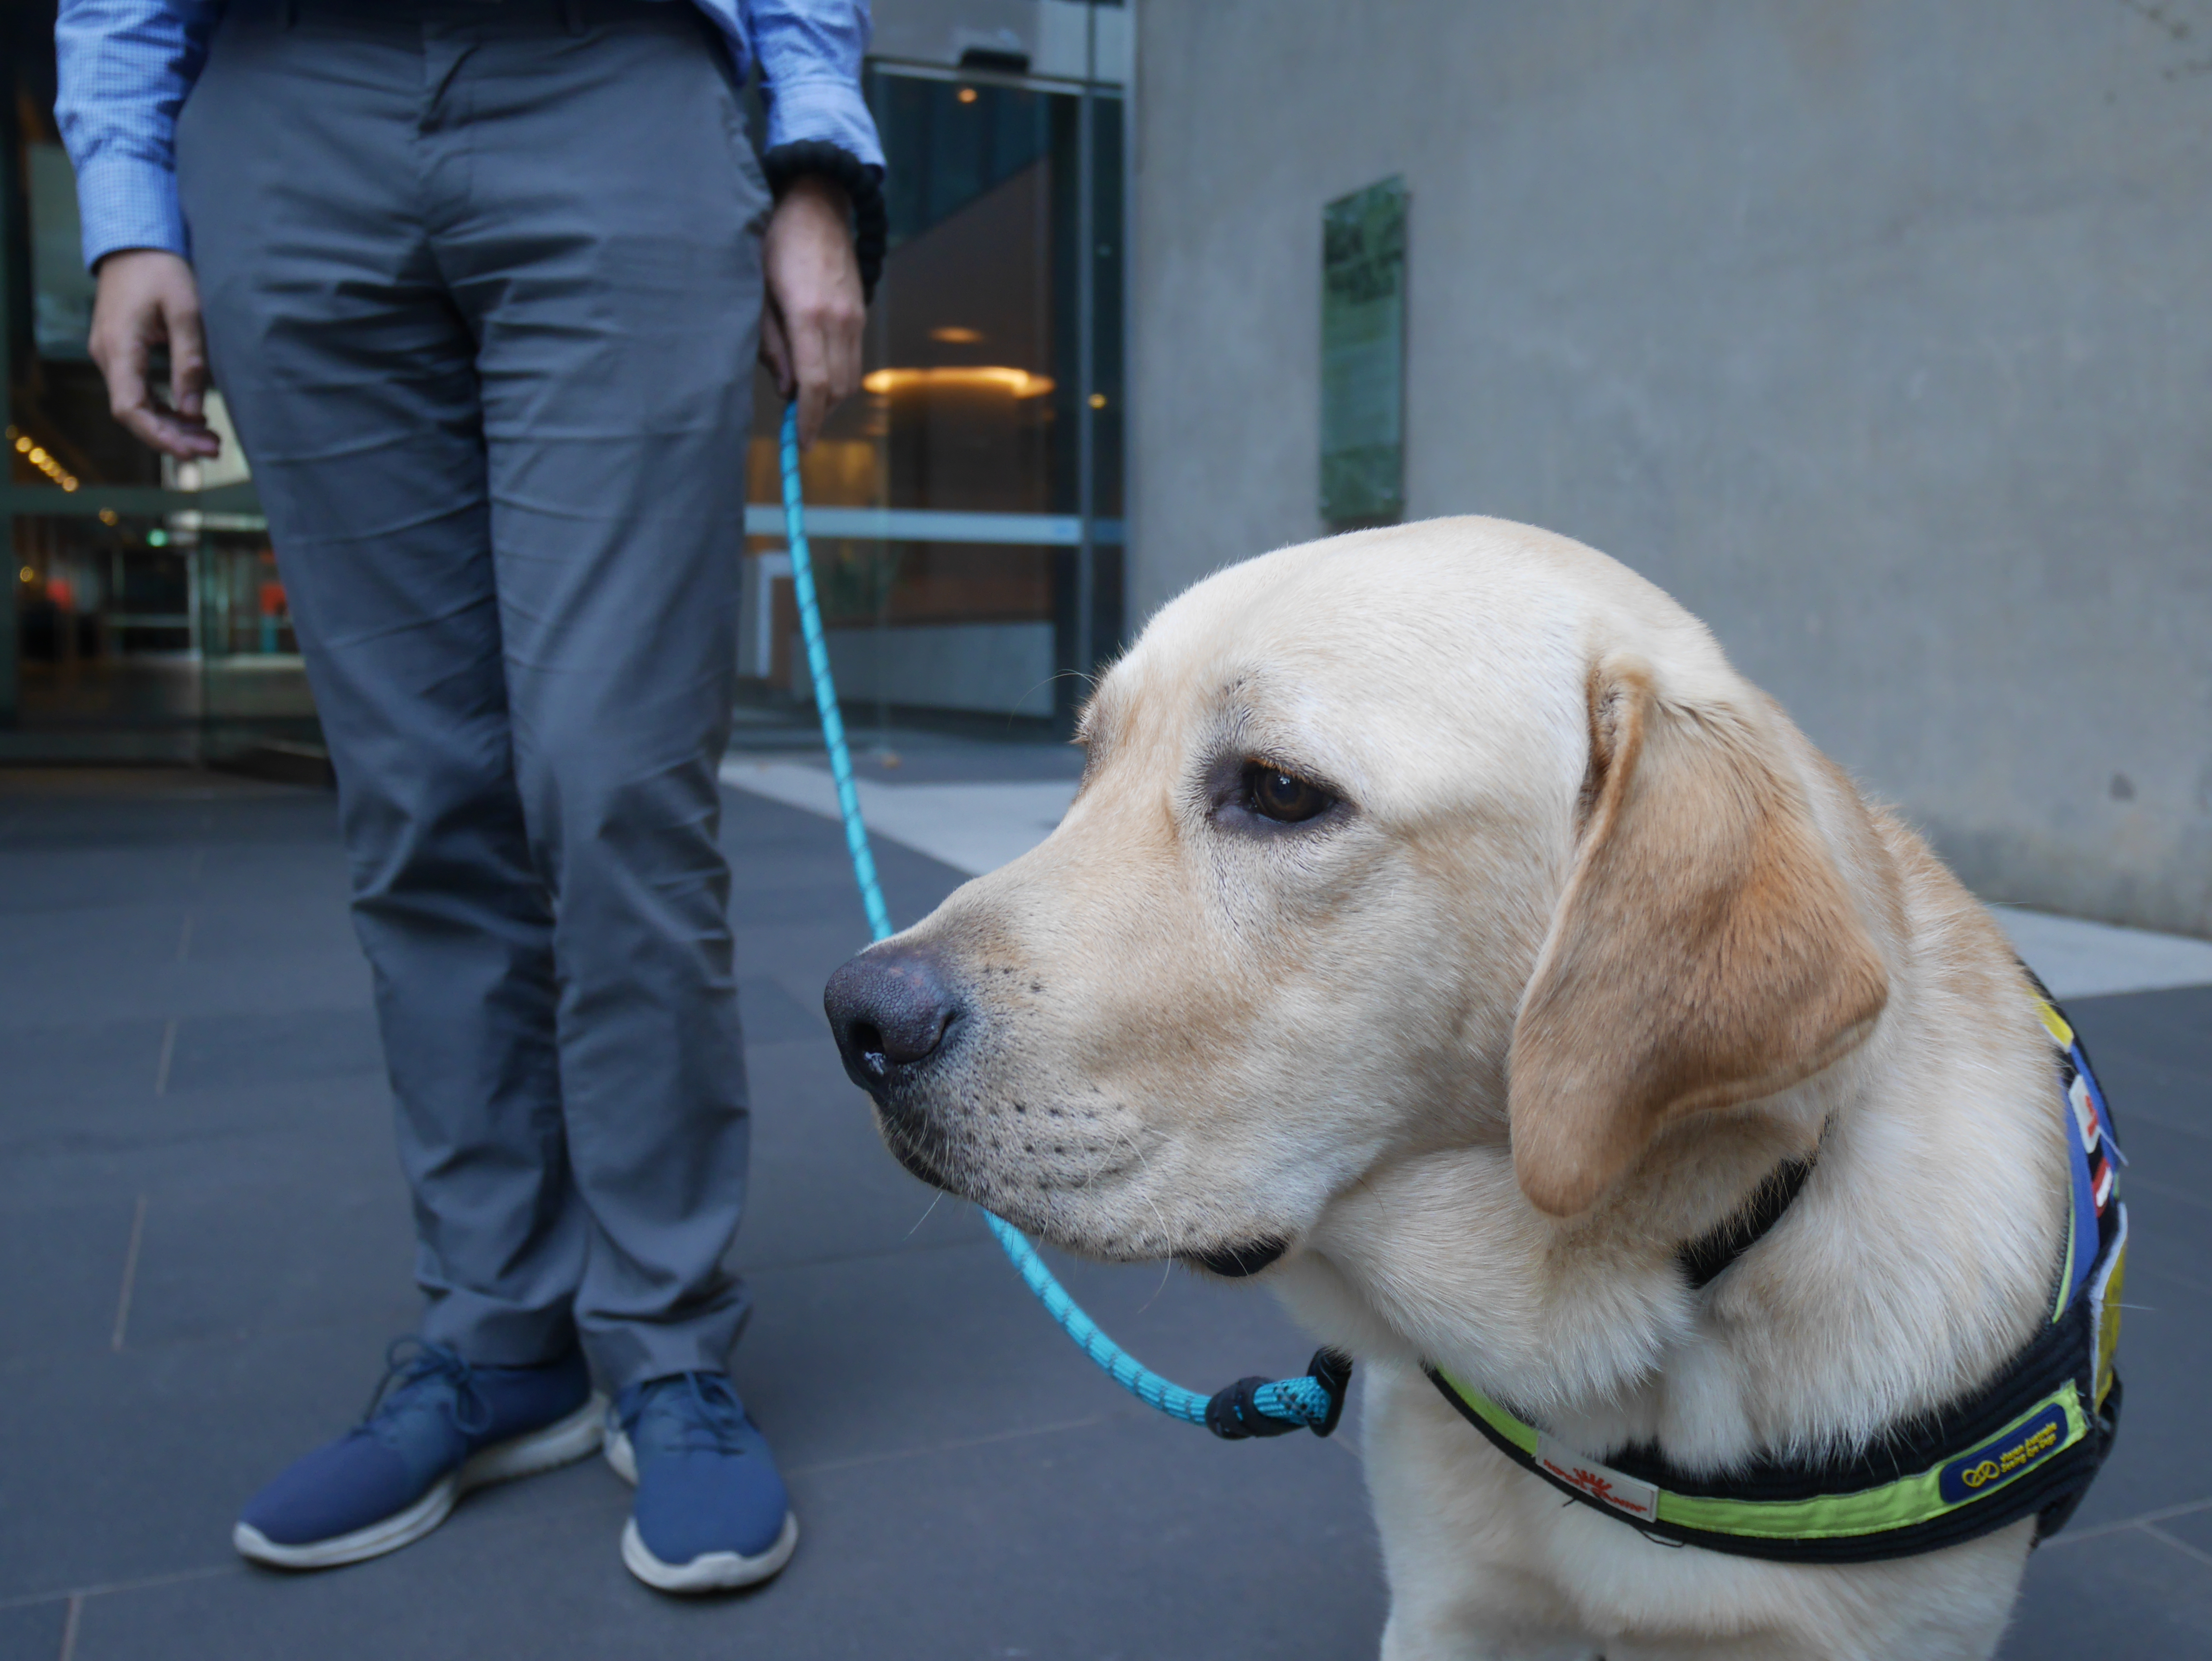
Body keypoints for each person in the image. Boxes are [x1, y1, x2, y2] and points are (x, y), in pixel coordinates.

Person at [56, 0, 883, 1594]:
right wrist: (129, 208)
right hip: (285, 108)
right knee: (420, 802)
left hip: (617, 88)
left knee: (615, 785)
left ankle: (663, 1342)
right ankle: (498, 1334)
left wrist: (814, 169)